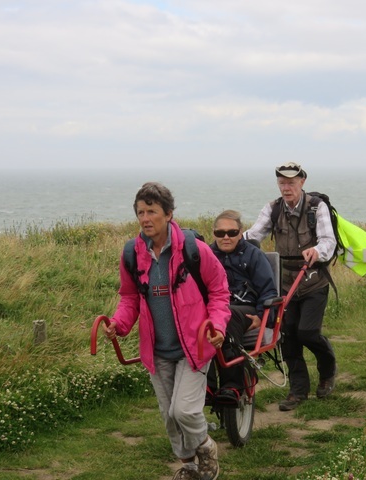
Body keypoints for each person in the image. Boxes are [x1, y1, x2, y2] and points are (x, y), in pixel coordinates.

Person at [102, 182, 230, 480]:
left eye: (152, 212)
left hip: (195, 345)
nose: (145, 218)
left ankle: (206, 448)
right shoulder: (132, 254)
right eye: (140, 212)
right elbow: (130, 297)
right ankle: (190, 465)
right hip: (157, 349)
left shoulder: (193, 249)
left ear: (169, 214)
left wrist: (218, 326)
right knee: (168, 417)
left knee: (183, 411)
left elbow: (220, 291)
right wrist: (117, 325)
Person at [245, 162, 338, 411]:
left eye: (291, 183)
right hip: (284, 284)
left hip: (314, 281)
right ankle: (298, 391)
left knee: (307, 332)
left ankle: (328, 369)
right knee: (286, 337)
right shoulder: (273, 209)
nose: (286, 188)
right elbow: (254, 235)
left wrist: (316, 250)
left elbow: (329, 241)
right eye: (282, 183)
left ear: (302, 183)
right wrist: (230, 239)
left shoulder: (318, 207)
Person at [209, 209, 278, 404]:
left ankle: (232, 386)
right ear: (214, 233)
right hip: (214, 308)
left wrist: (261, 316)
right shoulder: (205, 256)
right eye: (220, 233)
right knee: (197, 322)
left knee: (226, 316)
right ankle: (207, 387)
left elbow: (269, 291)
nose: (226, 237)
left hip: (243, 309)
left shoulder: (254, 255)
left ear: (240, 233)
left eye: (231, 232)